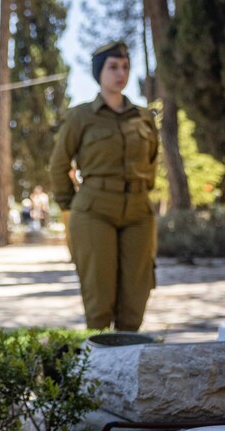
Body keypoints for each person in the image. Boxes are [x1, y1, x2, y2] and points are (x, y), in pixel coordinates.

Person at [48, 41, 159, 331]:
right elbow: (58, 165)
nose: (120, 73)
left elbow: (152, 161)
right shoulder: (81, 116)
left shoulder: (144, 117)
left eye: (125, 66)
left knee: (135, 300)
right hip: (94, 209)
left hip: (138, 210)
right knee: (99, 302)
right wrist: (71, 205)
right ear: (99, 72)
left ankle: (127, 362)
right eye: (113, 67)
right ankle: (98, 370)